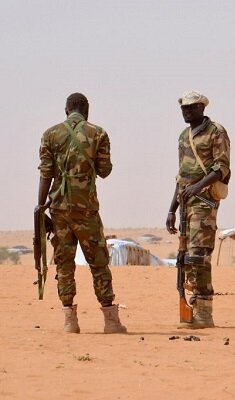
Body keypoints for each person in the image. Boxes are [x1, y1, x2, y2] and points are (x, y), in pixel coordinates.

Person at [36, 93, 126, 334]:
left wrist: (40, 206)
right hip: (86, 209)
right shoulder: (98, 133)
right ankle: (110, 321)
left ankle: (70, 321)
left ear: (66, 110)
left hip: (59, 209)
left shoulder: (50, 134)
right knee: (98, 262)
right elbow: (105, 171)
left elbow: (46, 173)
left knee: (64, 264)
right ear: (87, 110)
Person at [166, 90, 231, 329]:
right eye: (183, 108)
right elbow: (180, 176)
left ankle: (204, 310)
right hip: (185, 205)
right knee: (185, 258)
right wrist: (172, 209)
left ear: (203, 108)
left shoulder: (216, 132)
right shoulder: (183, 136)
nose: (187, 111)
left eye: (192, 107)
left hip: (204, 203)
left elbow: (221, 168)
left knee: (199, 256)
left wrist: (196, 188)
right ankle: (191, 303)